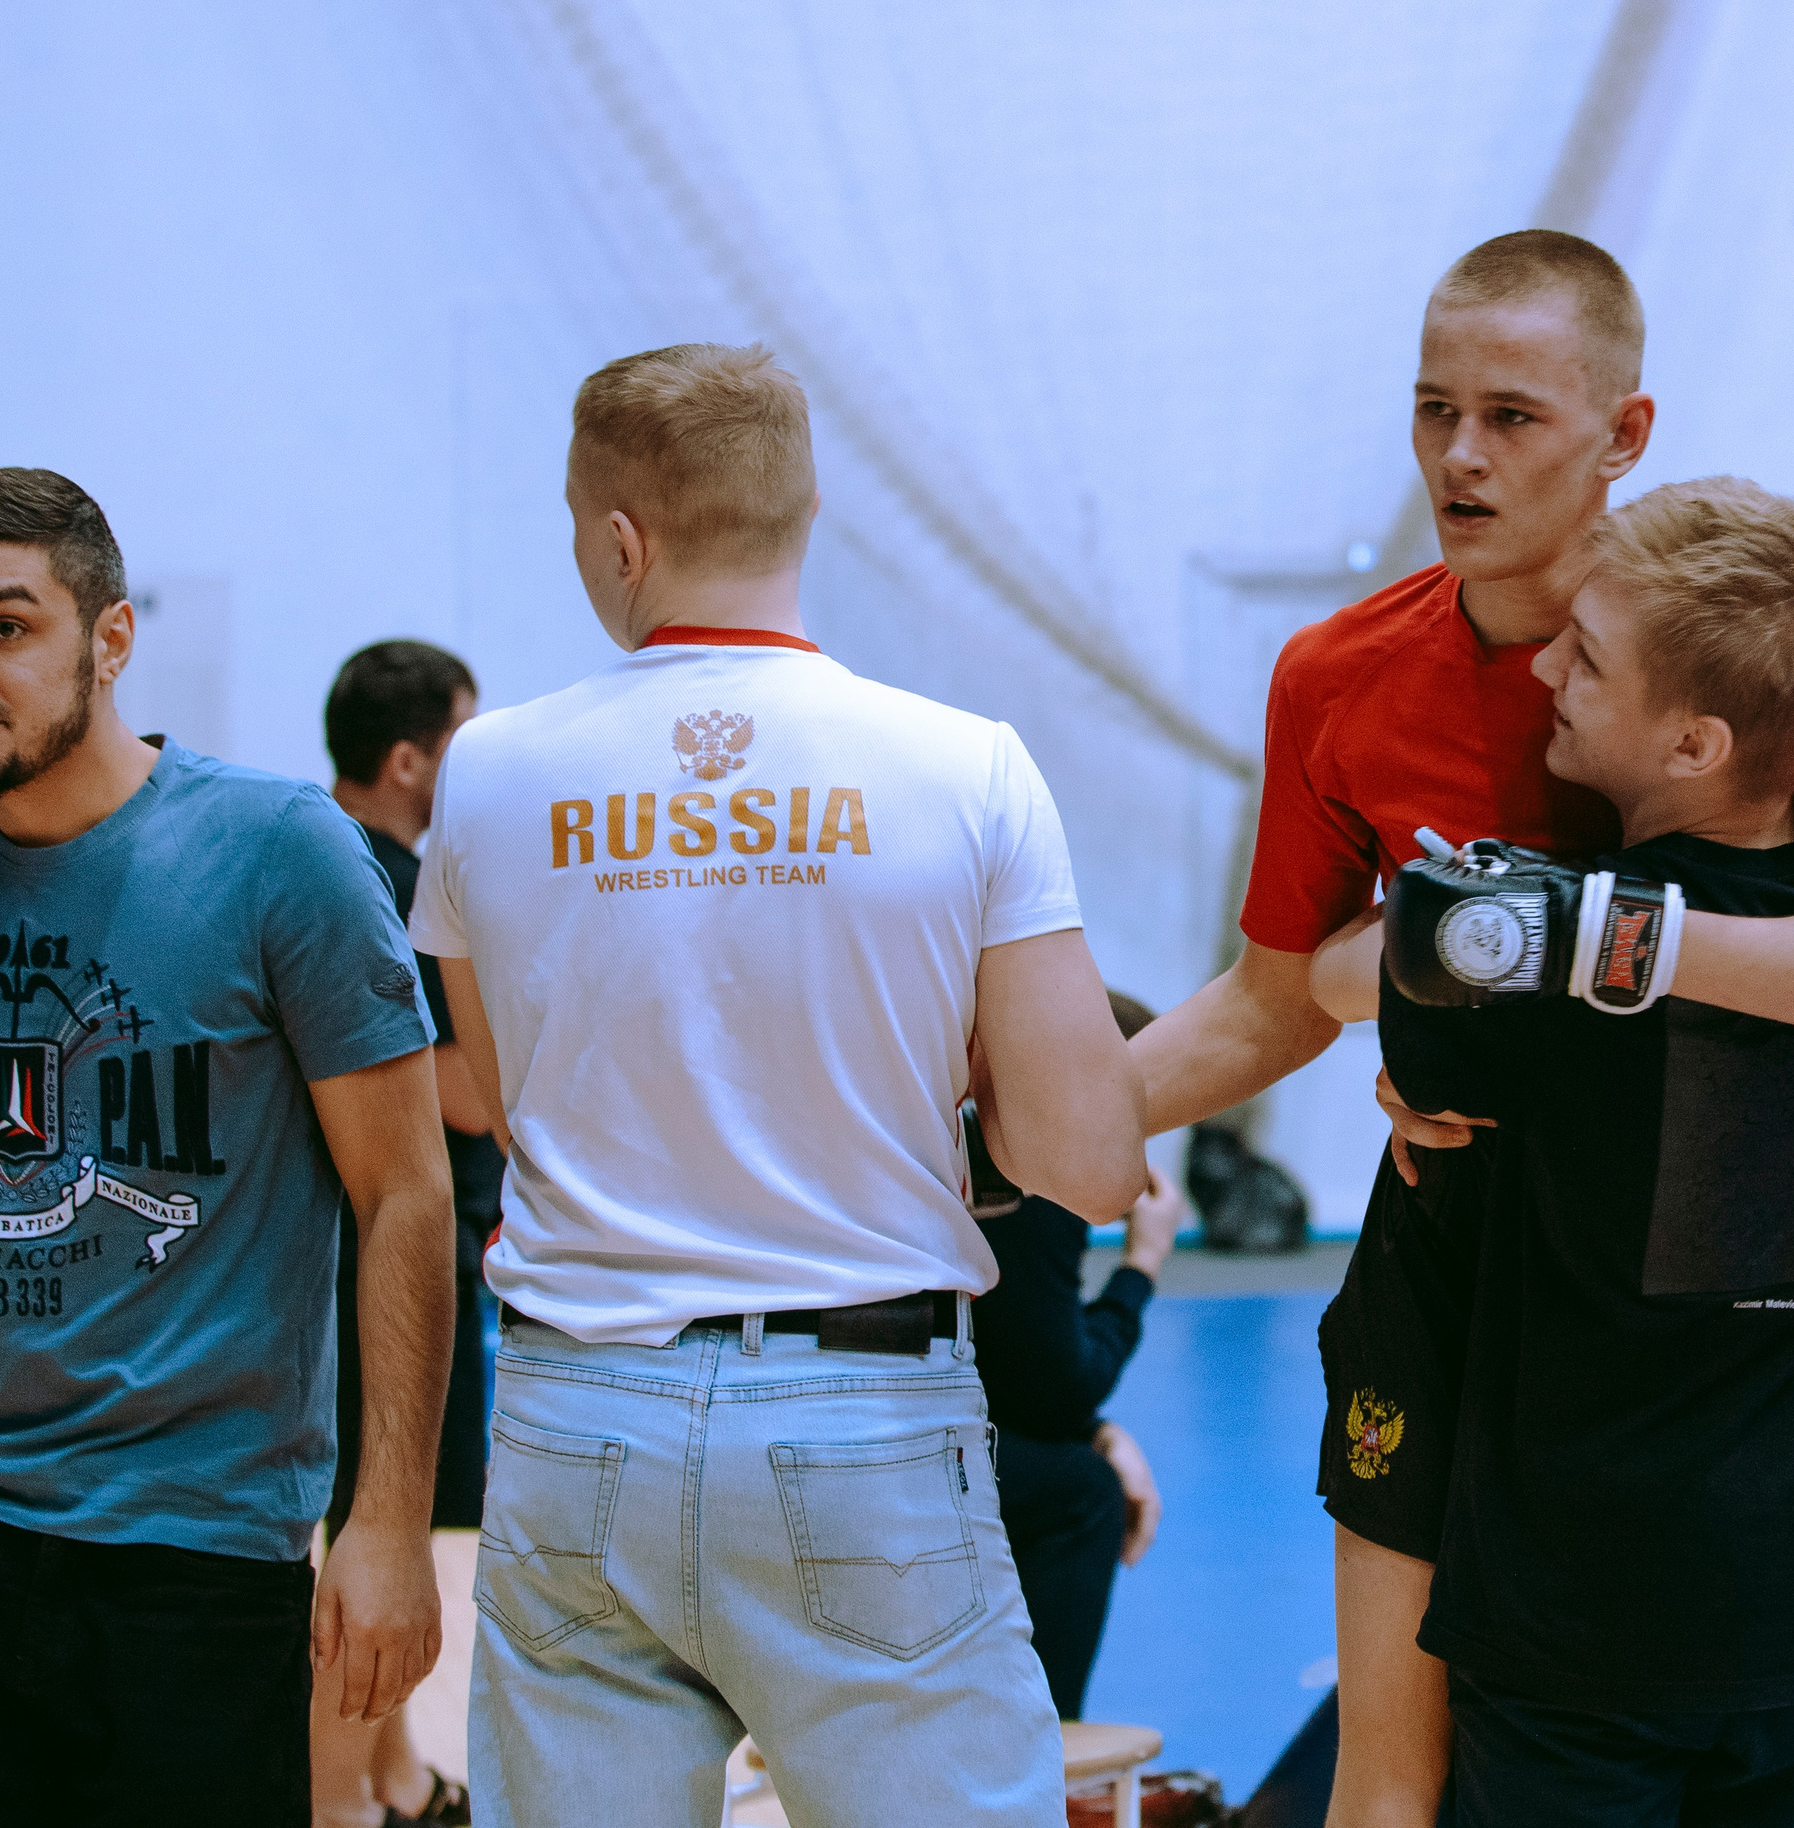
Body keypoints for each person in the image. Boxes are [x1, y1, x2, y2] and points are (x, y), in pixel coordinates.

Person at [1122, 230, 1794, 1827]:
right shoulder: (1339, 675)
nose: (1460, 455)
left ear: (1622, 433)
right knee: (1391, 1783)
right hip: (1460, 1261)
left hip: (1679, 1328)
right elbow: (1276, 996)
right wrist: (1026, 1126)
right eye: (1434, 409)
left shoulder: (1728, 645)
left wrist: (1573, 950)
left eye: (1511, 417)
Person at [414, 343, 1147, 1827]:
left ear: (621, 540)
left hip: (578, 1408)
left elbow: (498, 1096)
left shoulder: (485, 775)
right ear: (805, 515)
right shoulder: (967, 766)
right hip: (862, 1410)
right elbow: (1086, 1156)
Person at [0, 468, 458, 1828]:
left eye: (4, 626)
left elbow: (403, 1196)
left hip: (202, 1549)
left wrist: (389, 1521)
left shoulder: (281, 853)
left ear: (111, 639)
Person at [1357, 478, 1794, 1824]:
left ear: (1693, 742)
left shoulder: (1542, 961)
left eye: (1588, 656)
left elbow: (1424, 1045)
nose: (1544, 670)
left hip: (1587, 1615)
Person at [319, 637, 500, 1828]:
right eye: (460, 742)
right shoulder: (382, 886)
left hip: (363, 1252)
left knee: (380, 1526)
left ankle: (391, 1775)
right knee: (370, 1528)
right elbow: (457, 1093)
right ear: (406, 760)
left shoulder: (345, 866)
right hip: (376, 1260)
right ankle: (335, 1797)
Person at [969, 989, 1179, 1720]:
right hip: (858, 1434)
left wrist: (1097, 1428)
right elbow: (1058, 1384)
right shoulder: (1029, 1172)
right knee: (1085, 1493)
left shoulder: (966, 1131)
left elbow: (1006, 1365)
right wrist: (1142, 1265)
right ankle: (1045, 1741)